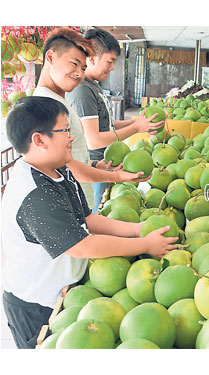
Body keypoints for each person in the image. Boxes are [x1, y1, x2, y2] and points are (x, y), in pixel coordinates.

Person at [1, 96, 178, 349]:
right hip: (36, 303)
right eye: (64, 131)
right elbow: (82, 246)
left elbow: (86, 218)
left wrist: (137, 230)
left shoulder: (56, 169)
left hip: (62, 291)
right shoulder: (35, 194)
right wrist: (144, 245)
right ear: (39, 140)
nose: (72, 137)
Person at [34, 27, 153, 212]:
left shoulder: (60, 100)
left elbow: (67, 157)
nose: (79, 74)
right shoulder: (46, 106)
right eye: (73, 63)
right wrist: (117, 176)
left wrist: (94, 164)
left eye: (82, 67)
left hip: (79, 196)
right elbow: (69, 165)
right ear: (50, 58)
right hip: (66, 206)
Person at [67, 28, 162, 212]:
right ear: (92, 58)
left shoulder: (93, 86)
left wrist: (136, 123)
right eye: (110, 62)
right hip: (94, 168)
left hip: (105, 165)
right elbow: (93, 140)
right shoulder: (82, 91)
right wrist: (135, 129)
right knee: (95, 212)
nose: (112, 68)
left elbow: (108, 125)